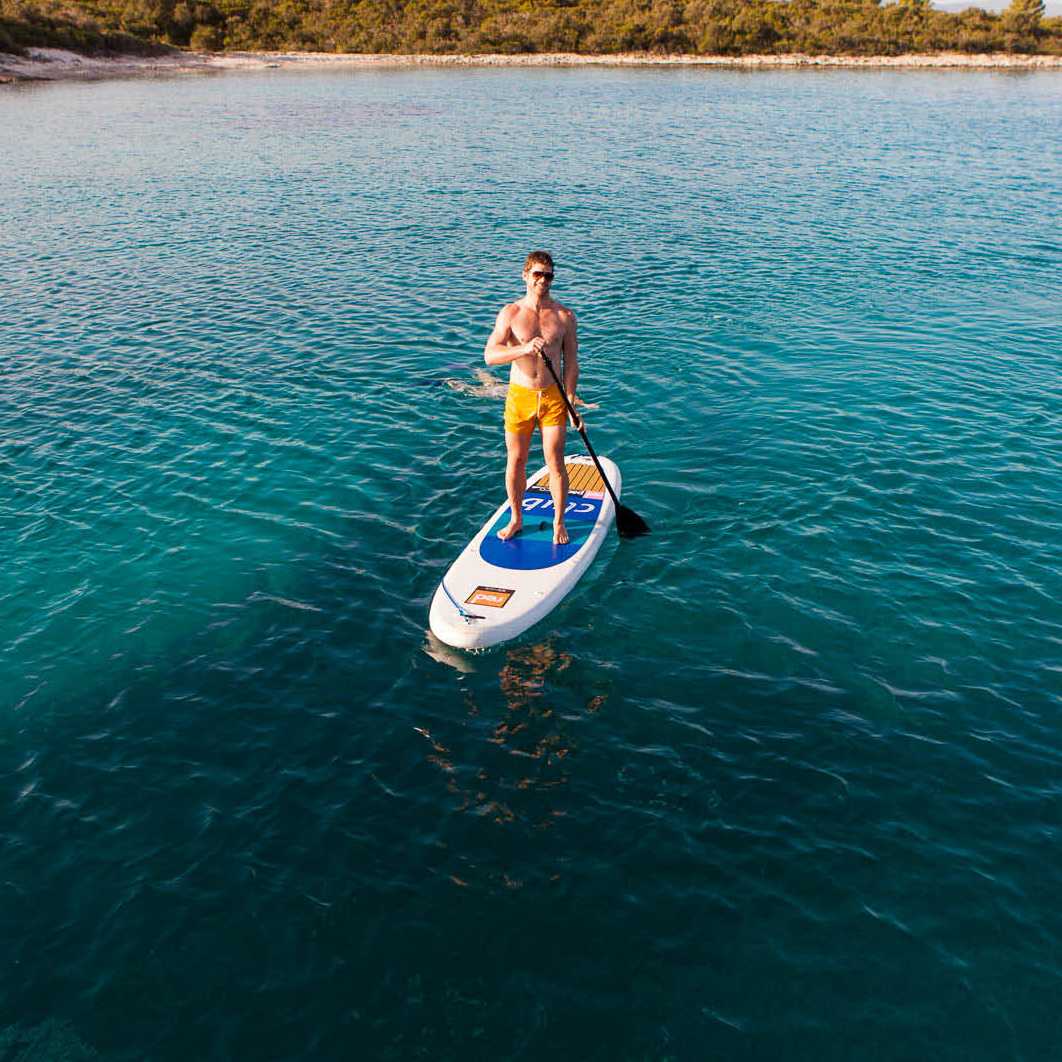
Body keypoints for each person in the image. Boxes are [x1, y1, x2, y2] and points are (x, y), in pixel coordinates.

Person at [484, 251, 581, 545]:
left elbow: (572, 362)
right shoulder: (510, 313)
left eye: (548, 275)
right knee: (516, 460)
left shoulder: (564, 316)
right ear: (525, 275)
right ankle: (515, 518)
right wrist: (523, 350)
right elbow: (490, 356)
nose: (543, 280)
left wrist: (571, 399)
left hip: (553, 398)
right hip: (520, 396)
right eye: (537, 274)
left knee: (555, 461)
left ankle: (559, 522)